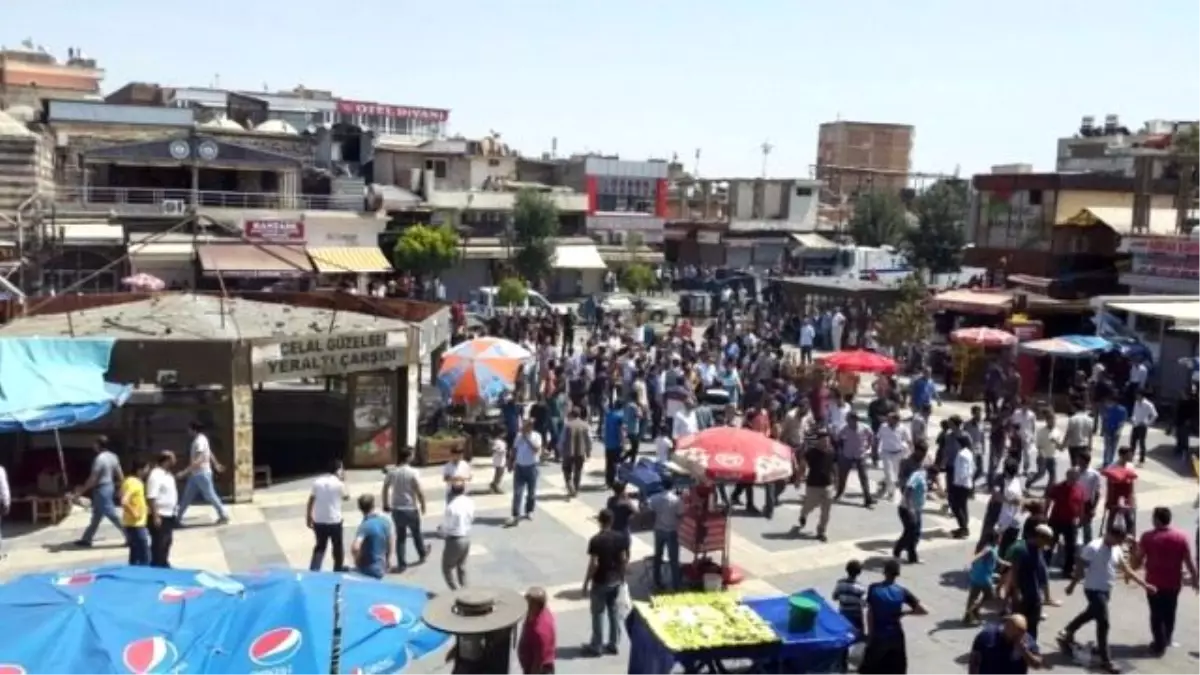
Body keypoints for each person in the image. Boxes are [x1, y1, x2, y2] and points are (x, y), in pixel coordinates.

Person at [1058, 524, 1156, 672]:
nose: (1119, 543)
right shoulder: (1093, 547)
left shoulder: (1116, 549)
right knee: (1103, 623)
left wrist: (1144, 585)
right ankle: (1106, 660)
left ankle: (1068, 631)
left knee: (1091, 613)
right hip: (1093, 590)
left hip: (1106, 590)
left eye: (1121, 541)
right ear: (1109, 534)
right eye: (1118, 540)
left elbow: (1126, 569)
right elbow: (1080, 567)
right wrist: (1072, 585)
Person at [1131, 506, 1199, 655]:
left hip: (1153, 582)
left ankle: (1159, 644)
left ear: (1156, 520)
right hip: (1173, 582)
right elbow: (1189, 562)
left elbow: (1136, 562)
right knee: (1170, 611)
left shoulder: (1147, 537)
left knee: (1156, 614)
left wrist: (1134, 552)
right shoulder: (1181, 537)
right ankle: (1166, 638)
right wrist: (1194, 579)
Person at [858, 558, 927, 675]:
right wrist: (905, 613)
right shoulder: (902, 591)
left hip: (879, 636)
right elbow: (923, 610)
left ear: (884, 572)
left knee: (868, 669)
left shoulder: (873, 588)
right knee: (896, 669)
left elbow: (870, 614)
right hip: (896, 636)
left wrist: (870, 636)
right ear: (897, 574)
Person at [582, 508, 627, 657]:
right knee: (613, 611)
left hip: (600, 581)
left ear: (599, 521)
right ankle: (613, 643)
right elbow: (624, 559)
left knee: (597, 613)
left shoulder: (596, 540)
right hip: (615, 581)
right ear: (612, 521)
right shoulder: (620, 538)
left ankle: (597, 645)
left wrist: (586, 582)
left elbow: (594, 564)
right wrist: (622, 576)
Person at [1004, 523, 1058, 640]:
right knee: (1017, 627)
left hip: (1035, 598)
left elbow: (1043, 574)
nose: (1047, 545)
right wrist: (1016, 592)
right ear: (1039, 537)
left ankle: (1030, 649)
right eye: (1046, 541)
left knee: (1032, 628)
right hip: (1023, 597)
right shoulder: (1021, 549)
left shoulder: (1039, 551)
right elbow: (1014, 572)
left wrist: (1047, 596)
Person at [71, 435, 125, 547]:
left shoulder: (99, 459)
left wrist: (82, 491)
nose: (93, 446)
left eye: (95, 444)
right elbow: (120, 474)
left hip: (101, 489)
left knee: (111, 514)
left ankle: (131, 536)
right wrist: (122, 486)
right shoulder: (113, 456)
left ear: (99, 445)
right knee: (96, 516)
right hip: (109, 486)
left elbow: (93, 478)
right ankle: (87, 538)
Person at [382, 447, 430, 571]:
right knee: (416, 533)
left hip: (397, 509)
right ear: (408, 457)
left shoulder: (392, 472)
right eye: (412, 455)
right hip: (410, 508)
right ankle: (422, 554)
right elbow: (419, 490)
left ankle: (401, 563)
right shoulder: (413, 472)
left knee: (401, 537)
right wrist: (423, 504)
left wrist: (385, 503)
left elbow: (385, 488)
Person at [175, 421, 230, 526]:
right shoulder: (202, 439)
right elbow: (209, 453)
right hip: (196, 474)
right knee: (187, 496)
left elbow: (199, 459)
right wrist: (216, 464)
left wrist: (184, 472)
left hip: (201, 474)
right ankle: (177, 518)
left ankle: (223, 515)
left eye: (189, 429)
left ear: (193, 429)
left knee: (210, 495)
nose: (188, 431)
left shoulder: (199, 441)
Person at [1045, 467, 1087, 577]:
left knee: (1071, 547)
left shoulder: (1080, 489)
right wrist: (1045, 514)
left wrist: (1081, 518)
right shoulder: (1058, 487)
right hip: (1056, 520)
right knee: (1049, 544)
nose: (1074, 479)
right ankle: (1044, 566)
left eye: (1076, 477)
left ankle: (1068, 570)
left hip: (1071, 522)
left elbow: (1081, 505)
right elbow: (1049, 500)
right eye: (1072, 477)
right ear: (1067, 476)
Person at [795, 430, 836, 541]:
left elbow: (833, 467)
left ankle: (821, 531)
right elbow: (802, 467)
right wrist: (798, 479)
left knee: (826, 511)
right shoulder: (810, 453)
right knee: (810, 505)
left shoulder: (831, 452)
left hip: (828, 485)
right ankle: (803, 514)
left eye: (828, 441)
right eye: (824, 441)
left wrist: (837, 481)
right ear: (818, 441)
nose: (826, 443)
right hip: (813, 485)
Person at [307, 459, 347, 572]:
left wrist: (309, 516)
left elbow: (311, 500)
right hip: (334, 521)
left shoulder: (318, 481)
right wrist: (344, 481)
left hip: (319, 520)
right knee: (337, 547)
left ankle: (314, 569)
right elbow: (346, 496)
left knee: (320, 547)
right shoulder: (339, 484)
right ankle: (338, 569)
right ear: (338, 470)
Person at [968, 614, 1041, 675]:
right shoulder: (987, 636)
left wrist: (1025, 652)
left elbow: (1037, 664)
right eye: (1015, 636)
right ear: (1006, 627)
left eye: (1021, 634)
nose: (1018, 639)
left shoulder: (1027, 640)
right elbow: (974, 660)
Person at [893, 445, 928, 564]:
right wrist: (909, 504)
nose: (922, 457)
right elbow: (903, 483)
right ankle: (898, 550)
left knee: (916, 532)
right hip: (908, 506)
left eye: (924, 454)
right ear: (915, 450)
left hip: (917, 505)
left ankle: (912, 556)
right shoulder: (907, 463)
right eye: (920, 453)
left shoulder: (923, 465)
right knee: (910, 530)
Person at [648, 477, 683, 590]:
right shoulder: (676, 500)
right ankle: (676, 585)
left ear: (662, 485)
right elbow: (680, 514)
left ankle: (657, 581)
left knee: (658, 556)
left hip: (658, 530)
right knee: (674, 559)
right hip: (672, 531)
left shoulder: (654, 498)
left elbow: (649, 510)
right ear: (672, 486)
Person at [965, 530, 1006, 623]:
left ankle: (967, 616)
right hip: (984, 578)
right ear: (996, 538)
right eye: (1000, 538)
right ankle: (975, 608)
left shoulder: (994, 548)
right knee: (990, 595)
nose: (1001, 539)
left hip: (976, 576)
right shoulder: (989, 548)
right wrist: (971, 561)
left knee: (973, 596)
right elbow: (980, 554)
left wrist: (1006, 563)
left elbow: (997, 559)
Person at [146, 450, 178, 568]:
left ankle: (164, 562)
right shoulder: (155, 475)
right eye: (172, 458)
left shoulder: (168, 475)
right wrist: (155, 516)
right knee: (159, 543)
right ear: (166, 460)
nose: (175, 461)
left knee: (167, 541)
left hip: (169, 514)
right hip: (160, 514)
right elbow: (151, 497)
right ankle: (157, 565)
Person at [835, 412, 875, 508]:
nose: (852, 422)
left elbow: (871, 437)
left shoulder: (864, 427)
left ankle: (867, 499)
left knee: (863, 478)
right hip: (847, 455)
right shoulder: (844, 429)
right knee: (842, 476)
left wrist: (868, 447)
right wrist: (840, 450)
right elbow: (838, 439)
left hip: (860, 455)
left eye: (854, 419)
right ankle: (839, 492)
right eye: (849, 420)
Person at [441, 477, 475, 590]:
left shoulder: (451, 507)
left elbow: (447, 526)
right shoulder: (469, 502)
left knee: (447, 568)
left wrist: (441, 531)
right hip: (466, 537)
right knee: (462, 566)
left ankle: (456, 592)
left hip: (454, 539)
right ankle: (466, 590)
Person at [508, 418, 542, 526]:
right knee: (517, 492)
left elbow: (536, 449)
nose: (524, 428)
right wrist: (510, 461)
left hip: (532, 467)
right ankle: (515, 514)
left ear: (531, 427)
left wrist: (526, 438)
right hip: (519, 467)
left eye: (527, 426)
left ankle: (529, 510)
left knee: (531, 493)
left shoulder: (536, 436)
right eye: (524, 425)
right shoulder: (518, 436)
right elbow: (514, 449)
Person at [351, 494, 392, 579]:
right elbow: (390, 542)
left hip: (366, 568)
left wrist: (357, 561)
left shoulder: (364, 526)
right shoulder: (385, 522)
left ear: (360, 508)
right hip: (380, 566)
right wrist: (388, 559)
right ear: (373, 505)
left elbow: (356, 547)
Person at [517, 587, 556, 675]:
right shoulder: (536, 613)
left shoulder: (539, 632)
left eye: (527, 602)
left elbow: (538, 662)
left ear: (535, 606)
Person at [121, 456, 151, 566]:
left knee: (134, 553)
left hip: (132, 524)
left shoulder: (130, 481)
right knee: (144, 554)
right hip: (135, 524)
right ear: (140, 469)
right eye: (147, 468)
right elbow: (124, 500)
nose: (148, 471)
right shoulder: (134, 482)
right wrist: (134, 512)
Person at [948, 431, 976, 538]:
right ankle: (963, 527)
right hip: (967, 483)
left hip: (960, 484)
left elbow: (962, 472)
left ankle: (964, 528)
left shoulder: (962, 454)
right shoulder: (969, 453)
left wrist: (957, 482)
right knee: (963, 506)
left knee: (956, 507)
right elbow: (973, 468)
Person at [832, 559, 866, 636]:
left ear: (847, 570)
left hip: (843, 615)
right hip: (856, 617)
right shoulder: (860, 588)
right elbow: (864, 604)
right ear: (859, 573)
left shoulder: (840, 584)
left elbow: (834, 597)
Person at [563, 407, 591, 498]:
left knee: (566, 469)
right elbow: (589, 440)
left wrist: (560, 450)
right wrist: (588, 451)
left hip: (568, 451)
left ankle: (570, 485)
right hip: (580, 451)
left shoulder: (567, 425)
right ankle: (576, 488)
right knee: (578, 471)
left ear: (572, 415)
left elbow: (562, 439)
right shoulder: (585, 425)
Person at [1130, 391, 1157, 465]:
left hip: (1142, 426)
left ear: (1141, 396)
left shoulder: (1148, 404)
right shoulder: (1136, 403)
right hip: (1135, 424)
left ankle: (1142, 458)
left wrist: (1148, 423)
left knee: (1142, 442)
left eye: (1138, 395)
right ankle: (1131, 456)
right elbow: (1134, 412)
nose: (1136, 397)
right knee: (1133, 442)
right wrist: (1133, 418)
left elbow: (1155, 415)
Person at [602, 400, 625, 488]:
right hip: (616, 444)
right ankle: (617, 481)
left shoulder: (609, 415)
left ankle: (608, 481)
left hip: (608, 443)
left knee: (609, 463)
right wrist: (623, 443)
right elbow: (621, 431)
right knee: (617, 464)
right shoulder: (620, 416)